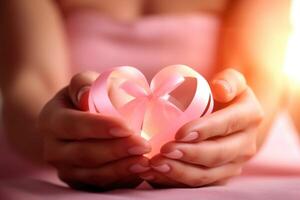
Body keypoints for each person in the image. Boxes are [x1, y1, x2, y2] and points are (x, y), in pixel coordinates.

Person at [0, 0, 290, 190]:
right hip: (53, 171)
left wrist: (235, 131)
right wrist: (57, 135)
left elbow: (258, 78)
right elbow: (29, 81)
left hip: (239, 169)